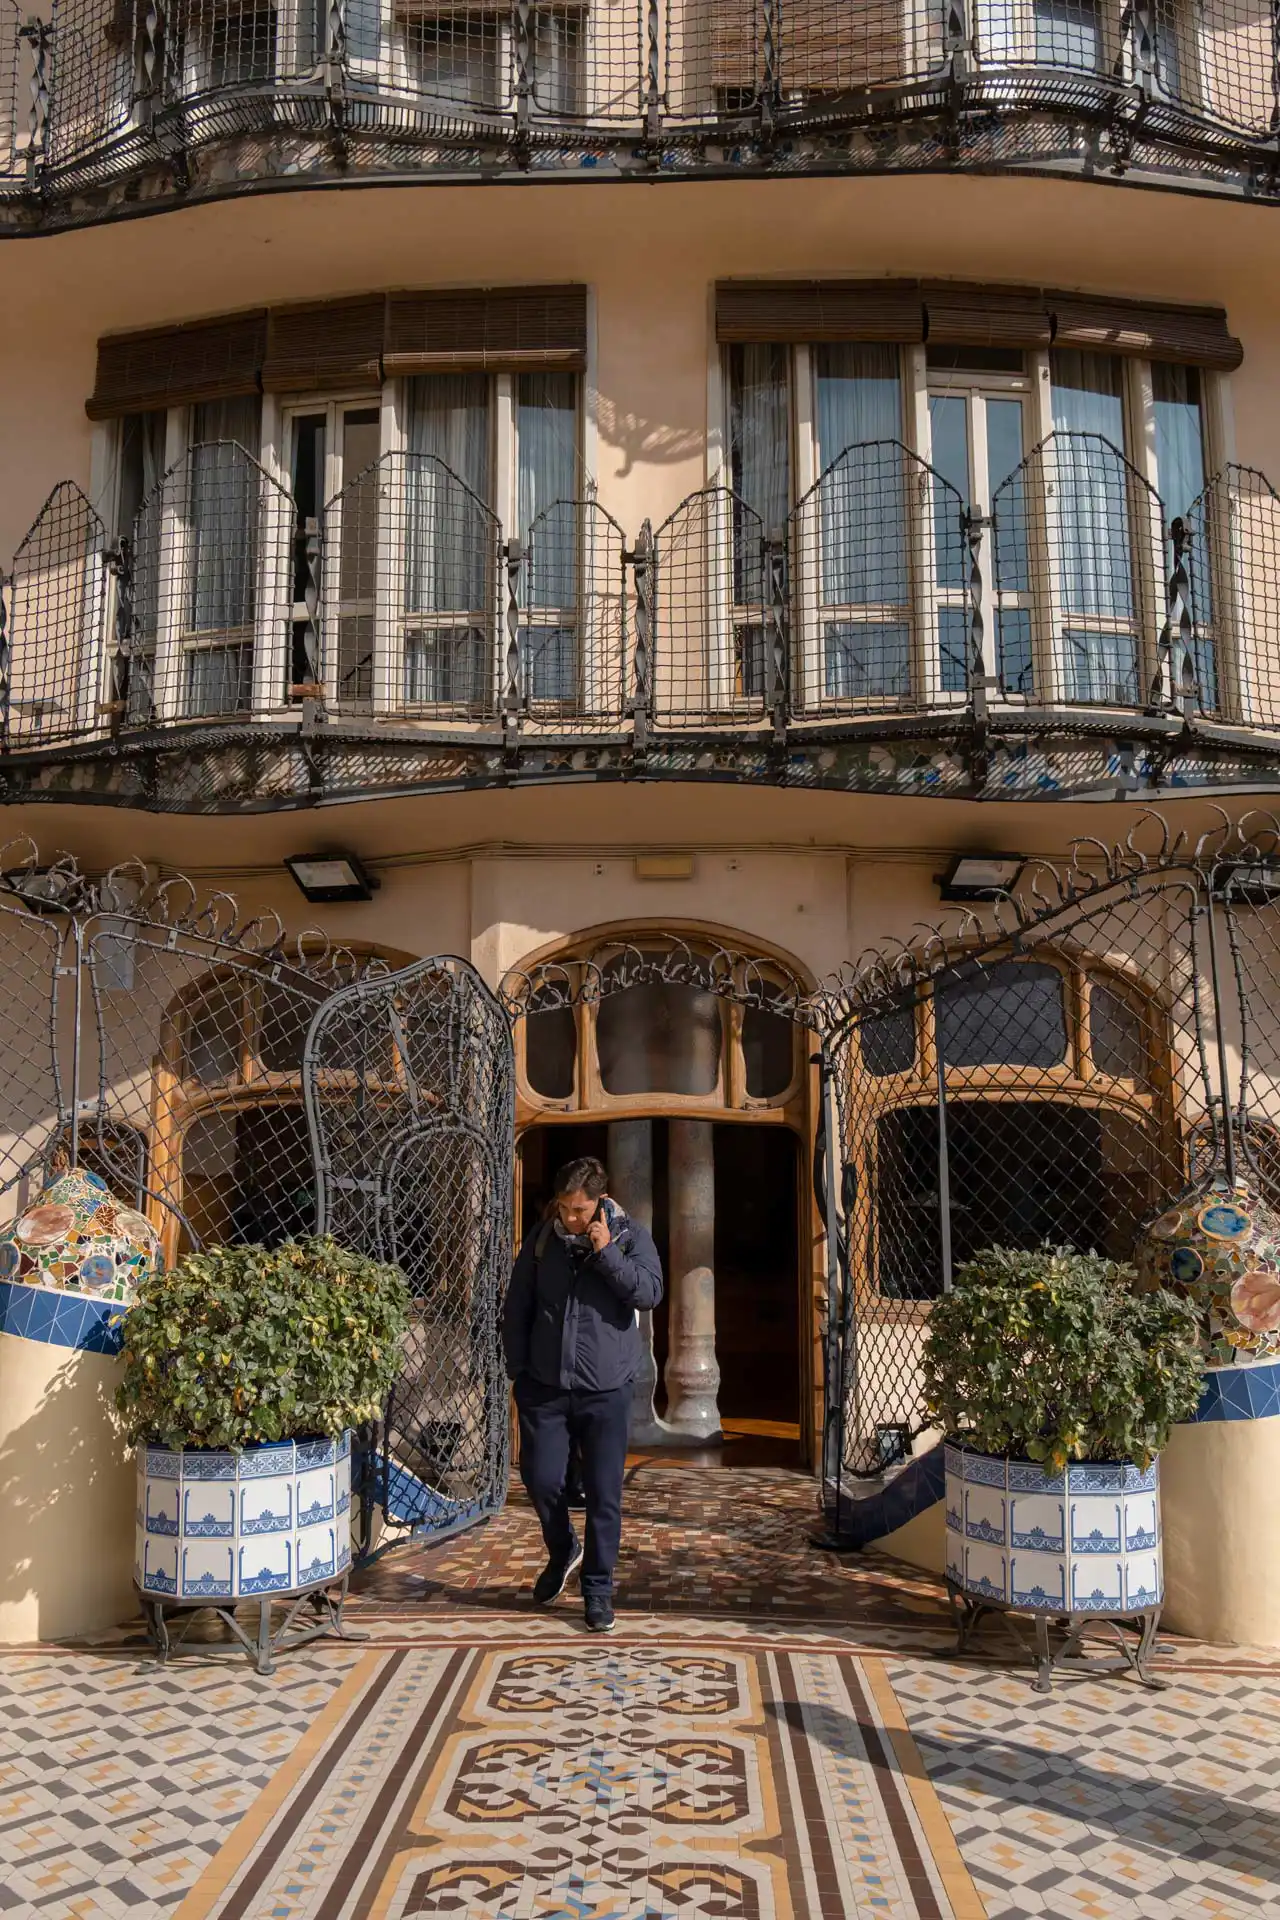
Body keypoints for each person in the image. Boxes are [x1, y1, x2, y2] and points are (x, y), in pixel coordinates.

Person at [502, 1154, 663, 1633]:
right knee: (541, 1478)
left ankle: (597, 1590)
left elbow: (649, 1293)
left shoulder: (631, 1236)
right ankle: (562, 1548)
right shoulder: (541, 1239)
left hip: (606, 1388)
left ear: (600, 1201)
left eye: (580, 1209)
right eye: (564, 1207)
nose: (570, 1217)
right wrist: (518, 1371)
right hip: (545, 1386)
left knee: (604, 1494)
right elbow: (517, 1305)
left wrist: (606, 1251)